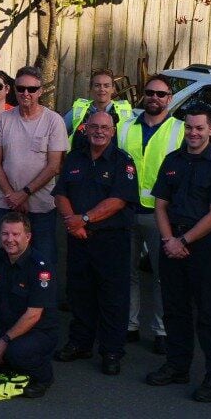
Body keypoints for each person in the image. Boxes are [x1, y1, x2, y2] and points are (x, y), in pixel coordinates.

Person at [144, 106, 211, 403]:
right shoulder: (173, 161)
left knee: (209, 314)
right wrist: (169, 239)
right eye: (189, 128)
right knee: (174, 308)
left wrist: (182, 240)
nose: (193, 133)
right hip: (172, 241)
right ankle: (177, 365)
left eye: (199, 128)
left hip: (202, 246)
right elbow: (160, 205)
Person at [52, 110, 138, 375]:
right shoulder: (75, 158)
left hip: (111, 240)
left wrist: (84, 219)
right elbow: (61, 193)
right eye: (94, 127)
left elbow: (118, 200)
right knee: (80, 294)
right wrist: (71, 221)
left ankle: (111, 351)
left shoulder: (123, 162)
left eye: (105, 127)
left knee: (113, 297)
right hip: (78, 239)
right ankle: (80, 343)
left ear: (113, 132)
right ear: (86, 129)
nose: (99, 131)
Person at [119, 74, 184, 353]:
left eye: (161, 94)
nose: (154, 98)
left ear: (169, 98)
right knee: (127, 273)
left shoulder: (181, 130)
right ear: (143, 95)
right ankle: (130, 325)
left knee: (162, 275)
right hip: (126, 210)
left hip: (161, 215)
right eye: (150, 93)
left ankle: (162, 330)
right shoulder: (124, 128)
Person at [0, 213, 57, 400]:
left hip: (37, 332)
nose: (10, 240)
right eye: (5, 234)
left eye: (16, 234)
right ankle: (11, 365)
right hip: (3, 329)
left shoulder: (40, 267)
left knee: (16, 353)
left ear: (28, 236)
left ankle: (43, 376)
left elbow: (33, 315)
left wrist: (3, 342)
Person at [0, 66, 67, 261]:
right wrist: (11, 195)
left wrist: (23, 194)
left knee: (42, 259)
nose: (26, 93)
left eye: (32, 89)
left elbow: (54, 166)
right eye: (21, 88)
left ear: (40, 91)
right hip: (5, 203)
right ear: (14, 89)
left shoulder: (54, 121)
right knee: (1, 257)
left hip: (40, 207)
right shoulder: (4, 119)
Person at [64, 69, 133, 137]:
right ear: (91, 89)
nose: (102, 89)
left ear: (113, 89)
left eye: (106, 86)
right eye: (97, 85)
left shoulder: (125, 112)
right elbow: (59, 133)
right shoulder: (78, 111)